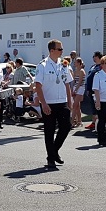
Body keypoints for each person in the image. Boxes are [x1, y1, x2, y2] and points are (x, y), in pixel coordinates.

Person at [35, 39, 73, 169]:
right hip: (49, 103)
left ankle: (54, 151)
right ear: (52, 51)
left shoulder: (64, 64)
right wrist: (43, 104)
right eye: (60, 49)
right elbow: (38, 86)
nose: (62, 51)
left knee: (66, 127)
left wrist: (70, 100)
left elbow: (67, 83)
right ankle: (51, 158)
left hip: (62, 102)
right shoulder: (43, 65)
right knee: (49, 131)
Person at [85, 51, 103, 130]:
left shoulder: (100, 67)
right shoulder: (93, 66)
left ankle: (96, 123)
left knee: (96, 107)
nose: (93, 58)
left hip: (95, 90)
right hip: (90, 89)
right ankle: (93, 122)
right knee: (92, 106)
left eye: (94, 56)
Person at [71, 57, 86, 127]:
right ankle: (79, 121)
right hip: (75, 88)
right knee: (77, 106)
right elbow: (74, 81)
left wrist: (75, 90)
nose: (75, 63)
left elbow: (80, 82)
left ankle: (71, 122)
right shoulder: (75, 71)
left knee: (74, 105)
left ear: (79, 63)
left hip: (80, 88)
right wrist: (72, 89)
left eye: (76, 62)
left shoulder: (82, 71)